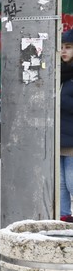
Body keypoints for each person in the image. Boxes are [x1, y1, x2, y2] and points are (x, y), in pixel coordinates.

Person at [59, 29, 73, 222]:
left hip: (71, 136)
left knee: (71, 181)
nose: (63, 51)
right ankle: (63, 217)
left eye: (68, 47)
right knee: (60, 182)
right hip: (58, 135)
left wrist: (60, 102)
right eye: (61, 47)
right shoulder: (57, 73)